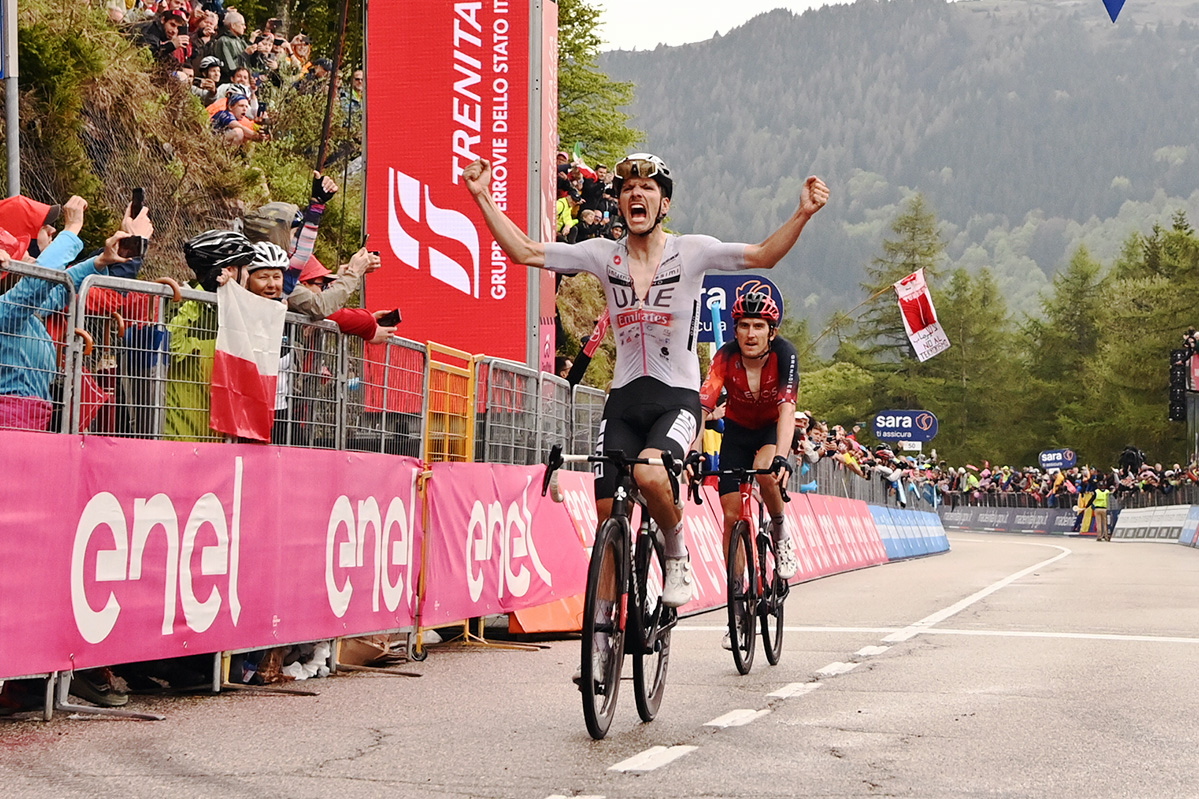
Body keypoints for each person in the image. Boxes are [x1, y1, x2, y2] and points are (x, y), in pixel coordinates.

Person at [464, 152, 828, 613]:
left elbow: (763, 256)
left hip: (675, 398)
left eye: (648, 188)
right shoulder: (602, 254)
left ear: (665, 205)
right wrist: (481, 197)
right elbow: (526, 252)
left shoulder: (692, 251)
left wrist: (803, 213)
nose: (636, 193)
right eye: (628, 188)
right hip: (623, 399)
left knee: (650, 473)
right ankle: (603, 639)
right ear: (619, 202)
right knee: (604, 516)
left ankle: (677, 555)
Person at [696, 292, 800, 649]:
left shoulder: (785, 355)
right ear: (735, 330)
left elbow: (787, 409)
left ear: (772, 332)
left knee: (766, 470)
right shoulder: (725, 357)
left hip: (772, 429)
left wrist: (783, 456)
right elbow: (703, 405)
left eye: (759, 326)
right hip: (738, 433)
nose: (751, 333)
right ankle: (738, 598)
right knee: (729, 515)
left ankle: (781, 531)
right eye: (744, 326)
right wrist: (695, 452)